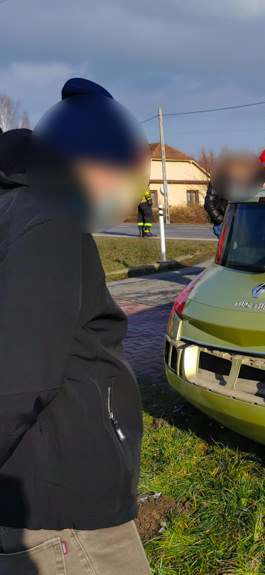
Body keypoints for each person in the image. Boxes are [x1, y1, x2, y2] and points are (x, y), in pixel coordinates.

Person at [0, 78, 151, 574]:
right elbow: (15, 385)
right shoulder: (49, 225)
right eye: (128, 184)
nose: (127, 204)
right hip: (66, 519)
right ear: (92, 164)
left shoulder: (16, 208)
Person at [204, 150, 259, 234]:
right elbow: (209, 203)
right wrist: (220, 220)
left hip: (239, 222)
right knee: (227, 246)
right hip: (223, 223)